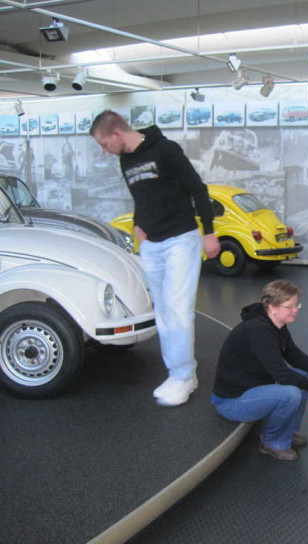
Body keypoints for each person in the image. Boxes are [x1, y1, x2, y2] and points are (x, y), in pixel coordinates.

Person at [90, 110, 221, 407]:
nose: (104, 151)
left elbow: (198, 189)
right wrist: (138, 225)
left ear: (117, 134)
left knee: (178, 310)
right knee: (163, 312)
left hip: (180, 241)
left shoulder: (166, 150)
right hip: (152, 245)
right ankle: (176, 373)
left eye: (104, 144)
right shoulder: (126, 160)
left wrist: (209, 233)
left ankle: (184, 375)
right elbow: (142, 197)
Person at [211, 280, 308, 461]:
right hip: (232, 401)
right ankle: (272, 442)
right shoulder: (258, 330)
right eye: (289, 306)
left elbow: (292, 353)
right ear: (271, 307)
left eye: (296, 305)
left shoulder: (276, 323)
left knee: (305, 377)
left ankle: (287, 432)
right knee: (290, 394)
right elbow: (282, 374)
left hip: (255, 386)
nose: (295, 310)